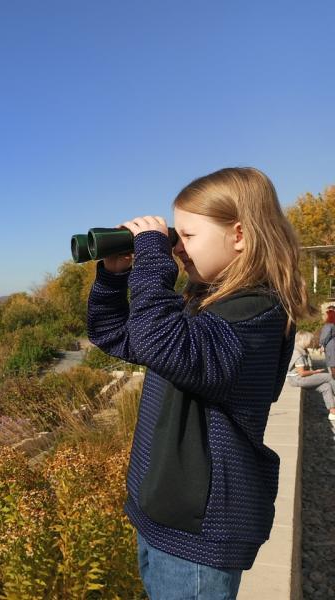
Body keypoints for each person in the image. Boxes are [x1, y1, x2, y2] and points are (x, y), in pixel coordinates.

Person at [86, 167, 313, 599]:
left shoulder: (256, 314)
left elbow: (159, 338)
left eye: (186, 237)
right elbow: (115, 335)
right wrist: (116, 276)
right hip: (162, 512)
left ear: (240, 235)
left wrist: (152, 258)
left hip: (200, 529)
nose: (178, 249)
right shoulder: (204, 306)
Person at [288, 331, 335, 420]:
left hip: (298, 378)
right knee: (329, 376)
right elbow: (302, 373)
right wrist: (315, 372)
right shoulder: (297, 353)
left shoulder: (300, 350)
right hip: (297, 379)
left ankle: (333, 413)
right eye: (310, 340)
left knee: (326, 386)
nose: (311, 342)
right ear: (304, 341)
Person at [320, 305, 335, 377]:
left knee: (332, 363)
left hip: (331, 346)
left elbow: (326, 335)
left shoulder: (329, 324)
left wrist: (322, 345)